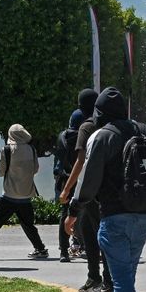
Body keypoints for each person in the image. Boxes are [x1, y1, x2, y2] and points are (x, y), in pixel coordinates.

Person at [71, 87, 146, 292]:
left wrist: (73, 212)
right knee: (127, 274)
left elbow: (88, 182)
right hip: (144, 215)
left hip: (115, 216)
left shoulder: (102, 136)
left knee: (122, 278)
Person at [62, 88, 114, 292]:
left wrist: (67, 190)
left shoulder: (87, 127)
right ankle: (96, 277)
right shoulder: (112, 125)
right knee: (98, 234)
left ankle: (102, 279)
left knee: (92, 234)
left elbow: (81, 161)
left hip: (91, 190)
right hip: (109, 190)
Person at [0, 124, 47, 259]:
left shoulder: (6, 150)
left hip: (9, 194)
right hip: (26, 194)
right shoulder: (31, 149)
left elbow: (0, 172)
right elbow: (35, 169)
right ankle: (40, 249)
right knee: (28, 224)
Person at [53, 109, 83, 262]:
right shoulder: (84, 136)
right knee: (83, 213)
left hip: (64, 180)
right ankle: (81, 244)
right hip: (80, 180)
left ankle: (63, 251)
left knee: (65, 214)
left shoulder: (62, 136)